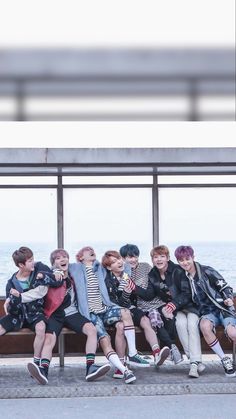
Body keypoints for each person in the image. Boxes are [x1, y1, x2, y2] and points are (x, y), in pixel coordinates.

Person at [27, 248, 111, 385]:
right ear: (53, 263)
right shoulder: (52, 275)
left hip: (72, 313)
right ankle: (43, 371)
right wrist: (48, 273)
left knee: (92, 330)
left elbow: (86, 269)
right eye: (58, 258)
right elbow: (40, 270)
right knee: (49, 339)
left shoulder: (72, 275)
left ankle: (90, 368)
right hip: (55, 314)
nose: (63, 259)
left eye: (65, 257)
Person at [72, 246, 137, 384]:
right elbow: (58, 268)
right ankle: (125, 371)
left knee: (125, 312)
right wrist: (57, 271)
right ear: (80, 257)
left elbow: (124, 269)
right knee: (105, 340)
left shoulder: (100, 268)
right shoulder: (76, 268)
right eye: (87, 250)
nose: (91, 250)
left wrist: (121, 266)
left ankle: (132, 353)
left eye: (92, 249)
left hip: (105, 309)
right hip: (91, 314)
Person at [102, 249, 170, 376]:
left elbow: (127, 301)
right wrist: (127, 293)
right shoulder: (107, 280)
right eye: (114, 261)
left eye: (119, 259)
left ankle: (156, 353)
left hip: (129, 308)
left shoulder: (126, 276)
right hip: (113, 311)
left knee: (145, 320)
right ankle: (121, 366)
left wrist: (129, 292)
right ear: (109, 267)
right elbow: (115, 303)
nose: (119, 262)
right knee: (121, 327)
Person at [171, 245, 236, 377]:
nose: (185, 262)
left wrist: (228, 298)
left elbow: (224, 286)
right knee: (204, 326)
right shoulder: (183, 276)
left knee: (233, 333)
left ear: (193, 257)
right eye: (181, 260)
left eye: (187, 258)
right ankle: (225, 359)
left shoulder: (207, 271)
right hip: (207, 312)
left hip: (222, 308)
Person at [0, 246, 61, 368]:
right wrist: (13, 300)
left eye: (32, 259)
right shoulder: (11, 283)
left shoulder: (39, 268)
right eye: (30, 261)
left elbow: (54, 282)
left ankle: (36, 362)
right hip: (17, 316)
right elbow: (10, 309)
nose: (33, 262)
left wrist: (50, 274)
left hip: (35, 313)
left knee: (41, 327)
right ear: (21, 265)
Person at [127, 245, 183, 365]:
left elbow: (151, 292)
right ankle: (172, 348)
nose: (132, 259)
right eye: (129, 257)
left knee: (168, 317)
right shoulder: (124, 272)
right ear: (123, 258)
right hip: (142, 307)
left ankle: (170, 350)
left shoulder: (147, 268)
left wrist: (134, 287)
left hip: (159, 302)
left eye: (135, 256)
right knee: (155, 320)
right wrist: (132, 289)